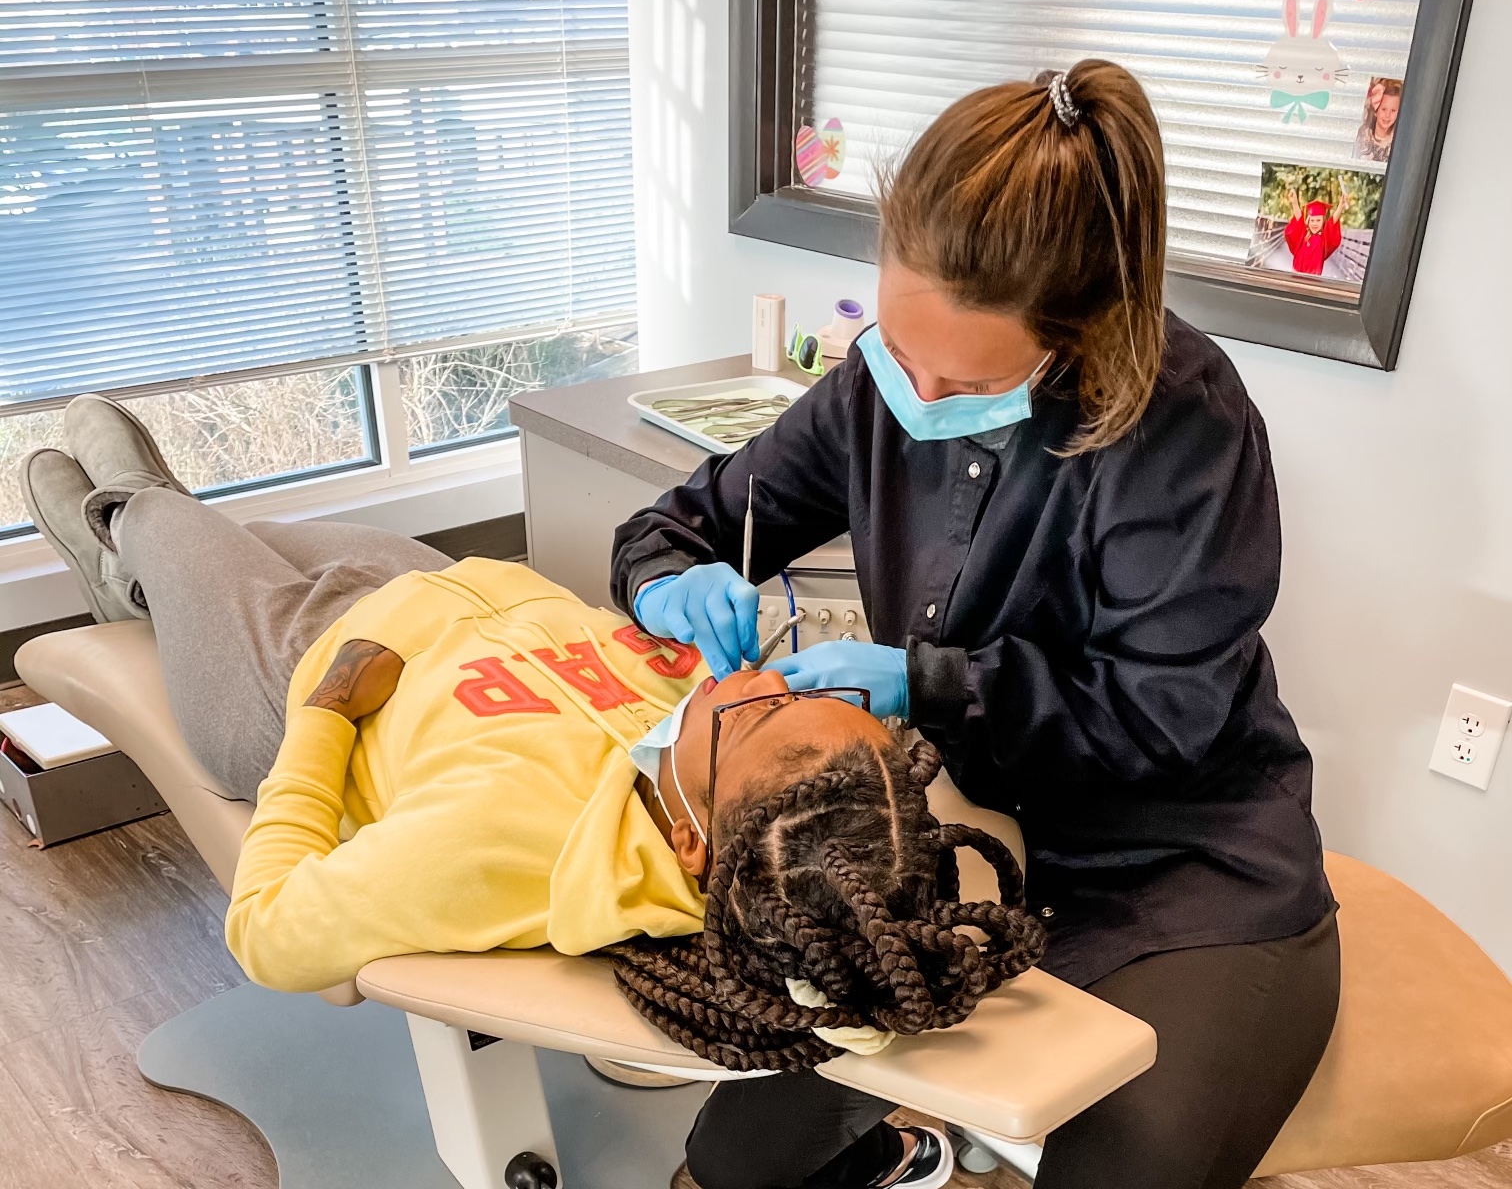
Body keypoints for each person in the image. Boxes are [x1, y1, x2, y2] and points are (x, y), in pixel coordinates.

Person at [612, 62, 1339, 1189]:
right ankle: (910, 1153)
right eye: (894, 335)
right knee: (743, 1157)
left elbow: (1165, 717)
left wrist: (925, 674)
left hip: (1193, 874)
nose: (905, 379)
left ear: (1072, 331)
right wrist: (671, 573)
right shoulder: (883, 384)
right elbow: (684, 513)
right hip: (978, 856)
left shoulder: (1189, 427)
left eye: (951, 362)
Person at [21, 398, 1040, 1084]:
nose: (763, 676)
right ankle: (146, 557)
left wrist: (324, 715)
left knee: (153, 513)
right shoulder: (736, 780)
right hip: (438, 582)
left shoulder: (496, 845)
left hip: (297, 663)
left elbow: (269, 928)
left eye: (762, 711)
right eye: (804, 689)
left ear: (693, 844)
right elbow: (866, 981)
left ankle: (124, 542)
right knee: (226, 523)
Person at [1284, 184, 1344, 275]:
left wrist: (1340, 207)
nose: (1315, 223)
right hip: (1296, 276)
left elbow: (1332, 222)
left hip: (1313, 280)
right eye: (1312, 220)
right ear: (1308, 221)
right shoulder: (1303, 235)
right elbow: (1298, 218)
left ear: (1323, 221)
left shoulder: (1324, 239)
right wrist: (1294, 202)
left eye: (1318, 220)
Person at [1354, 76, 1401, 163]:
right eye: (1383, 109)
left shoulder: (1396, 141)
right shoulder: (1363, 134)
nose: (1387, 115)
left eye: (1393, 110)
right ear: (1376, 111)